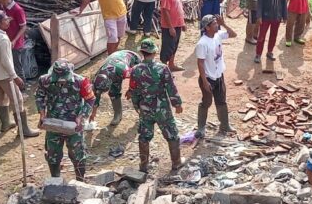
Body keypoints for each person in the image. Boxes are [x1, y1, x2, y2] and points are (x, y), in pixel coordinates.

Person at [128, 38, 183, 172]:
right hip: (162, 108)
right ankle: (176, 163)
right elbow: (171, 88)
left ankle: (144, 165)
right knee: (172, 134)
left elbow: (133, 91)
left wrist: (137, 106)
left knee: (144, 136)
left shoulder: (135, 70)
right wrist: (177, 104)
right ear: (154, 53)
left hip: (145, 108)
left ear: (142, 52)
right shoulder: (162, 68)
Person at [35, 59, 95, 181]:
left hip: (74, 125)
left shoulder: (81, 82)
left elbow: (90, 99)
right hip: (53, 124)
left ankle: (80, 181)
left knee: (77, 154)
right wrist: (42, 114)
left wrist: (81, 116)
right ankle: (55, 180)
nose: (62, 80)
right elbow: (39, 96)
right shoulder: (44, 80)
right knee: (53, 155)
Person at [0, 10, 39, 137]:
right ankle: (24, 129)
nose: (8, 21)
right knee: (18, 99)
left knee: (1, 97)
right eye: (5, 19)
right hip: (5, 75)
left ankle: (5, 123)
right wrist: (15, 77)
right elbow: (5, 60)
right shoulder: (3, 38)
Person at [195, 14, 235, 139]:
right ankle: (201, 128)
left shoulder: (217, 35)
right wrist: (204, 81)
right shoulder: (202, 43)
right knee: (206, 102)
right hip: (208, 78)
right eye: (214, 24)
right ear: (207, 28)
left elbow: (233, 34)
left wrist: (224, 24)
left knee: (221, 101)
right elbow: (200, 63)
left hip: (219, 75)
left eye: (216, 23)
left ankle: (224, 124)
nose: (216, 25)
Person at [92, 49, 141, 126]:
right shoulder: (97, 78)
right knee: (113, 93)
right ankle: (118, 115)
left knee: (137, 90)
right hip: (114, 63)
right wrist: (93, 112)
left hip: (133, 58)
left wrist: (130, 90)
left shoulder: (124, 70)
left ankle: (143, 114)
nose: (101, 92)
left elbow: (135, 78)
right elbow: (96, 94)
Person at [255, 0, 286, 64]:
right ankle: (258, 54)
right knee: (262, 36)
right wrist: (259, 15)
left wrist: (284, 15)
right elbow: (259, 1)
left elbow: (283, 2)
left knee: (274, 35)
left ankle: (270, 52)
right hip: (265, 15)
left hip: (277, 15)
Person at [0, 0, 29, 75]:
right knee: (6, 65)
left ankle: (22, 87)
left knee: (17, 67)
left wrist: (14, 40)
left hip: (15, 44)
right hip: (4, 40)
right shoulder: (1, 7)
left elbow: (23, 27)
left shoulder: (18, 10)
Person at [159, 0, 185, 72]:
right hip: (170, 26)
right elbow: (165, 11)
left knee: (174, 45)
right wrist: (170, 27)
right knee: (167, 47)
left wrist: (182, 23)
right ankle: (163, 68)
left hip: (177, 24)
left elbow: (178, 8)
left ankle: (171, 64)